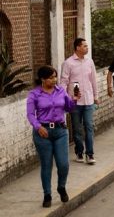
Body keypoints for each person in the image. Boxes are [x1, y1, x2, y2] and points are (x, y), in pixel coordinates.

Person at [27, 65, 80, 208]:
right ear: (43, 79)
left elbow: (68, 108)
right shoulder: (34, 94)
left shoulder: (61, 91)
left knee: (63, 164)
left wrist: (73, 99)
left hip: (60, 131)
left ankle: (61, 187)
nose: (54, 80)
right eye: (51, 77)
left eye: (55, 76)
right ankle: (47, 194)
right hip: (43, 132)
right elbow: (31, 114)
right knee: (46, 165)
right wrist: (38, 127)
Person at [60, 37, 97, 165]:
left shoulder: (89, 61)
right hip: (74, 100)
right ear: (77, 48)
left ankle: (90, 154)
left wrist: (96, 96)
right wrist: (66, 99)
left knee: (89, 126)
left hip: (89, 99)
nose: (87, 48)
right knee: (77, 128)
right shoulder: (68, 63)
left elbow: (93, 80)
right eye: (85, 46)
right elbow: (64, 82)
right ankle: (79, 152)